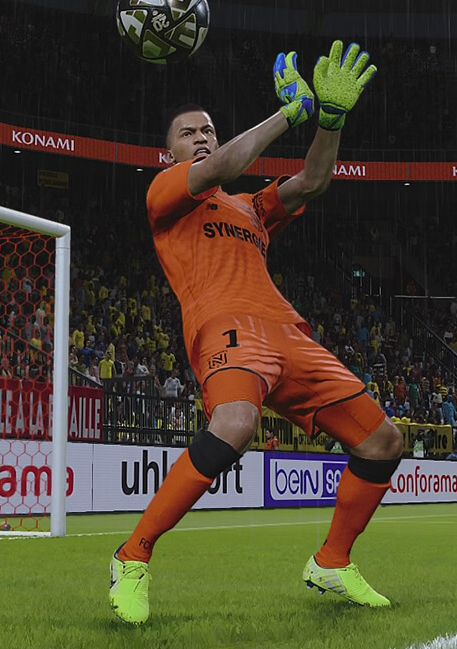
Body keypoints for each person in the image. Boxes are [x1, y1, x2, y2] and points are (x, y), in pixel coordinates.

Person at [109, 42, 395, 625]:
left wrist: (329, 121)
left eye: (208, 130)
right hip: (226, 327)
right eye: (189, 133)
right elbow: (222, 167)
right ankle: (132, 556)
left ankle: (332, 562)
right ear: (169, 152)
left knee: (382, 442)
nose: (202, 138)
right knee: (235, 424)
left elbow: (313, 181)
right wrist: (288, 114)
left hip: (288, 332)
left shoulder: (250, 208)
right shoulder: (165, 194)